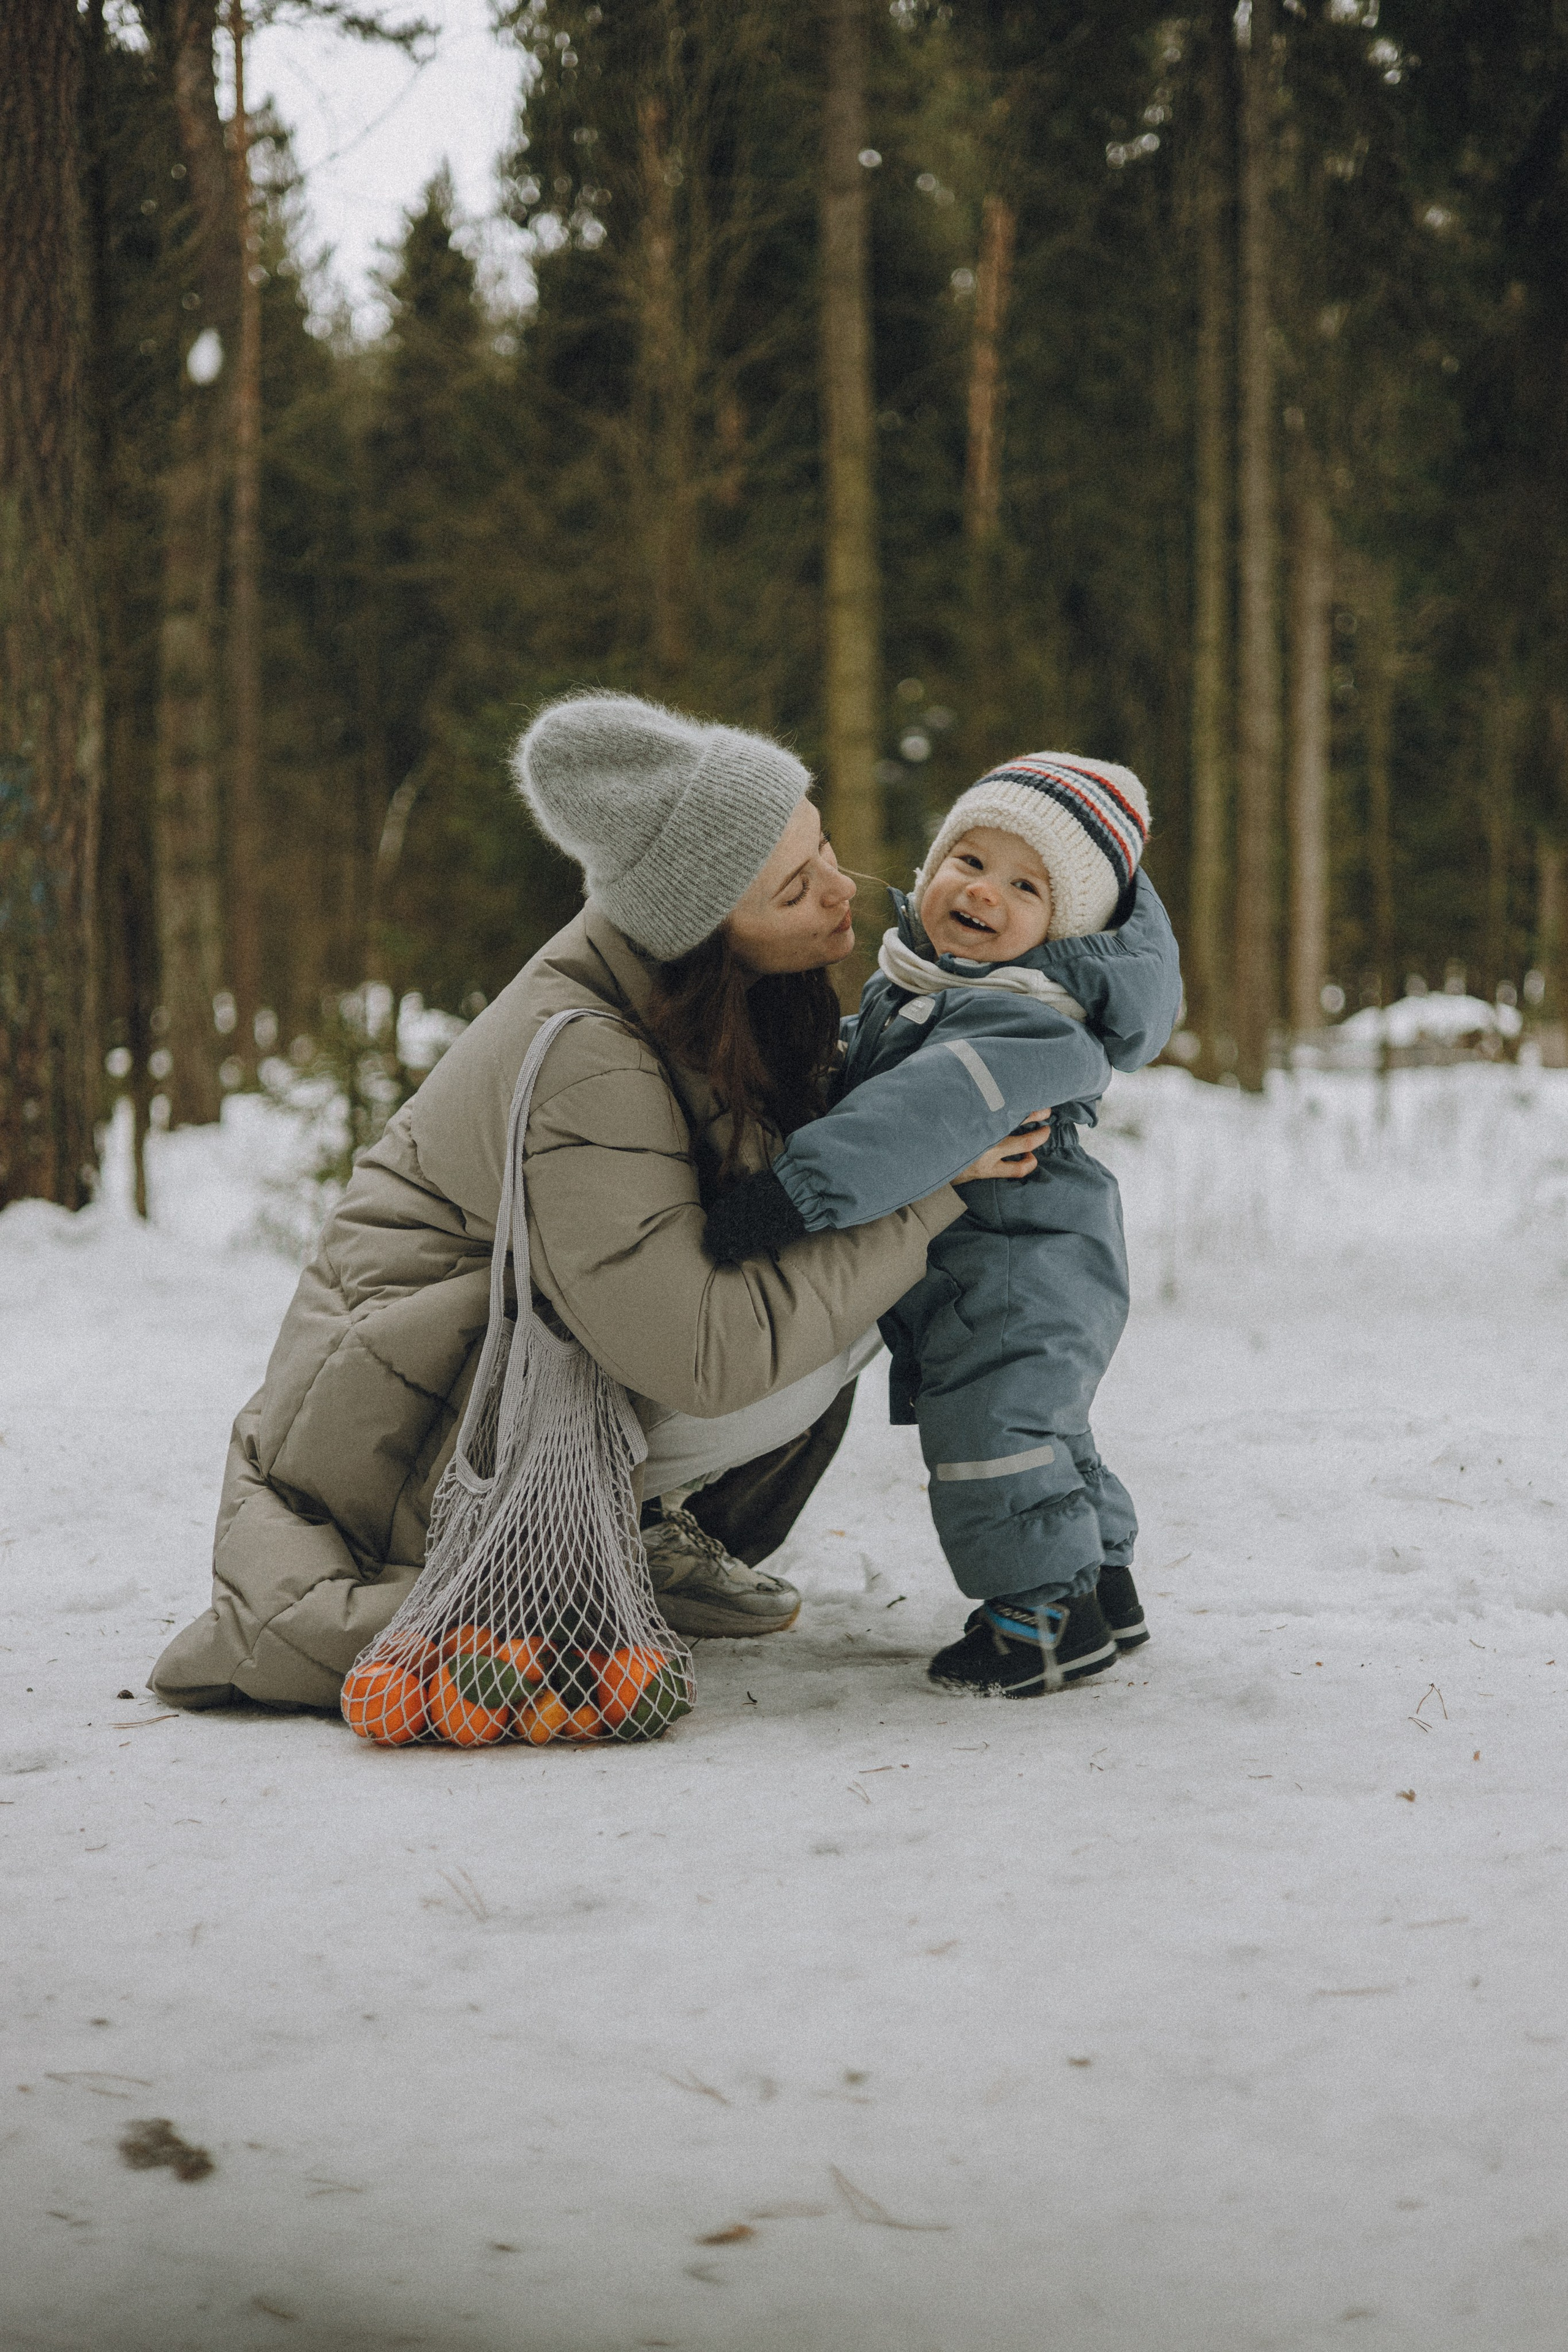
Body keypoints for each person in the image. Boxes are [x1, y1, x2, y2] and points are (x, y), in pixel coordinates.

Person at [151, 695, 1073, 1710]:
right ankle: (565, 1545)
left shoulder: (700, 996)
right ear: (706, 931)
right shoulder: (588, 1058)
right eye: (793, 888)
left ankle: (627, 1529)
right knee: (849, 1279)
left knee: (842, 1257)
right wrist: (933, 1190)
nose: (839, 889)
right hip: (401, 1448)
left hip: (468, 1381)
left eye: (823, 844)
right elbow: (700, 1352)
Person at [704, 753, 1183, 1698]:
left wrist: (786, 1197)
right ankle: (1100, 1586)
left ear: (1064, 928)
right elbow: (878, 1069)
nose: (984, 893)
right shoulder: (930, 988)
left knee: (995, 1436)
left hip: (1017, 1268)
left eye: (1026, 886)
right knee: (1050, 1430)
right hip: (1006, 1263)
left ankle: (1040, 1622)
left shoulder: (1027, 1023)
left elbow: (910, 1120)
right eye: (969, 860)